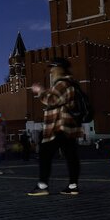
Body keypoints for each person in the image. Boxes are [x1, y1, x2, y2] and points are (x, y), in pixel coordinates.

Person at [27, 58, 83, 196]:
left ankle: (43, 186)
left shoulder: (62, 83)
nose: (51, 71)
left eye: (53, 67)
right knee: (71, 155)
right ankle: (73, 186)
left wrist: (41, 91)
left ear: (60, 69)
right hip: (68, 125)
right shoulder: (71, 83)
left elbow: (52, 100)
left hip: (58, 125)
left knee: (45, 154)